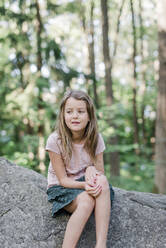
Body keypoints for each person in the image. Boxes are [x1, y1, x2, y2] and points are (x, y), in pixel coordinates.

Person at [46, 90, 114, 248]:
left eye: (80, 111)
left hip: (84, 182)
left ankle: (101, 244)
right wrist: (84, 185)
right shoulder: (55, 140)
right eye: (69, 111)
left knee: (102, 181)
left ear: (89, 115)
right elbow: (63, 180)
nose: (74, 116)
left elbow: (100, 172)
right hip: (62, 187)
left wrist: (92, 170)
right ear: (63, 115)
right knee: (87, 201)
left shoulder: (95, 138)